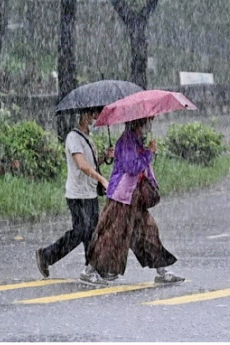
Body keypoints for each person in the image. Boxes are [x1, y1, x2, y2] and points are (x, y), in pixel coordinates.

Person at [84, 116, 184, 285]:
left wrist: (147, 152)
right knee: (111, 234)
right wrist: (149, 153)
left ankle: (162, 271)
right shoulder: (127, 141)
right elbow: (132, 167)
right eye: (147, 122)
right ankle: (89, 271)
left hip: (134, 198)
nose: (149, 125)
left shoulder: (136, 140)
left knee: (148, 232)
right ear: (139, 123)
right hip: (121, 198)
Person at [35, 106, 114, 285]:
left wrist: (105, 157)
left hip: (90, 193)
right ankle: (46, 255)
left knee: (92, 232)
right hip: (77, 194)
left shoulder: (87, 138)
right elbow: (82, 165)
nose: (95, 117)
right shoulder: (73, 137)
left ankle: (93, 268)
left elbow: (91, 164)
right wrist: (102, 180)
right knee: (81, 231)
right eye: (93, 114)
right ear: (84, 114)